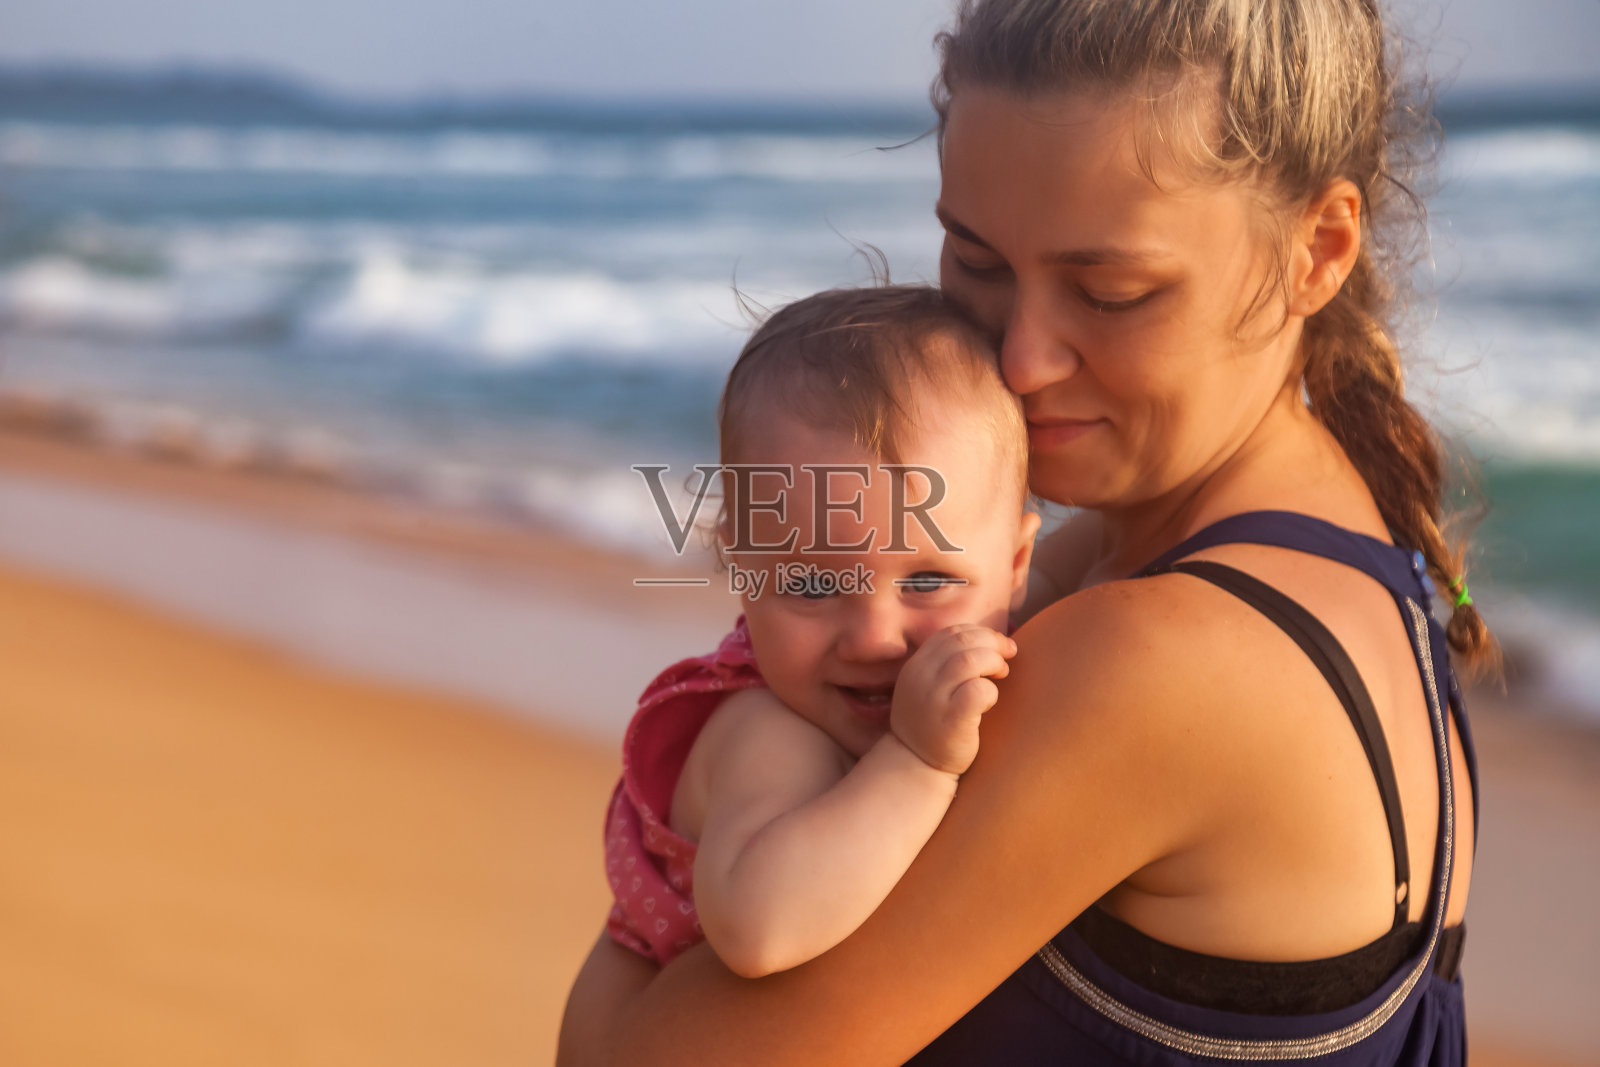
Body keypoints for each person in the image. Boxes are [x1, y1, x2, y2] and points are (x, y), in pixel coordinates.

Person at [559, 0, 1494, 1062]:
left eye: (1110, 291)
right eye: (979, 262)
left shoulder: (1159, 654)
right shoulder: (1309, 564)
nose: (1018, 360)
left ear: (1316, 250)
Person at [602, 285, 1040, 978]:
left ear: (1016, 565)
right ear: (742, 566)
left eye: (927, 582)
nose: (873, 637)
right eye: (811, 583)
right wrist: (917, 762)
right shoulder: (767, 732)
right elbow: (758, 929)